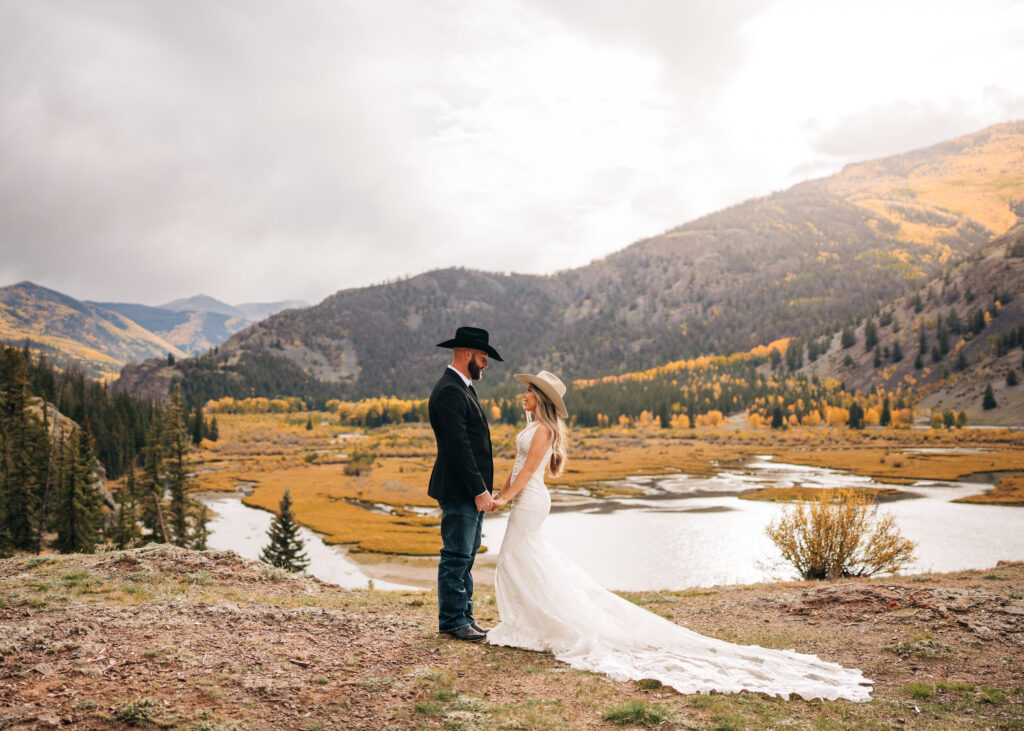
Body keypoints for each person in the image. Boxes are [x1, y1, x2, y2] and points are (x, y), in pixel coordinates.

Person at [487, 370, 873, 702]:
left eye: (528, 391)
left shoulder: (543, 431)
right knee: (521, 559)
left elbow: (527, 472)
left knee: (517, 558)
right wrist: (501, 490)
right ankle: (530, 622)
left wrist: (505, 496)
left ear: (540, 398)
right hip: (527, 500)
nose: (523, 394)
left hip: (532, 500)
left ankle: (541, 624)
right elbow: (516, 467)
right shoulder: (531, 428)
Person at [428, 326, 502, 642]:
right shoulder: (449, 391)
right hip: (461, 491)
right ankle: (452, 621)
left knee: (467, 555)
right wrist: (479, 490)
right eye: (484, 357)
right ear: (467, 354)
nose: (486, 364)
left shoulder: (464, 388)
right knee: (457, 556)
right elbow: (459, 448)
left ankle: (464, 617)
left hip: (469, 492)